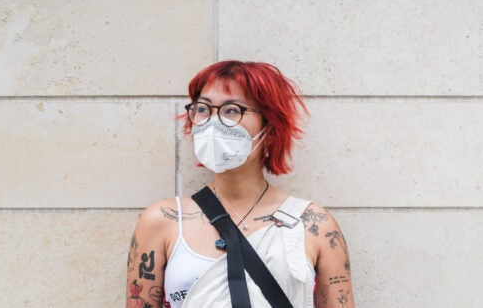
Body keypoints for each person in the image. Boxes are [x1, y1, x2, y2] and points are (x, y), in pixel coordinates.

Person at [126, 61, 354, 307]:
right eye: (202, 109)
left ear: (270, 126)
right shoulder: (163, 221)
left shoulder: (313, 225)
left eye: (232, 110)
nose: (212, 122)